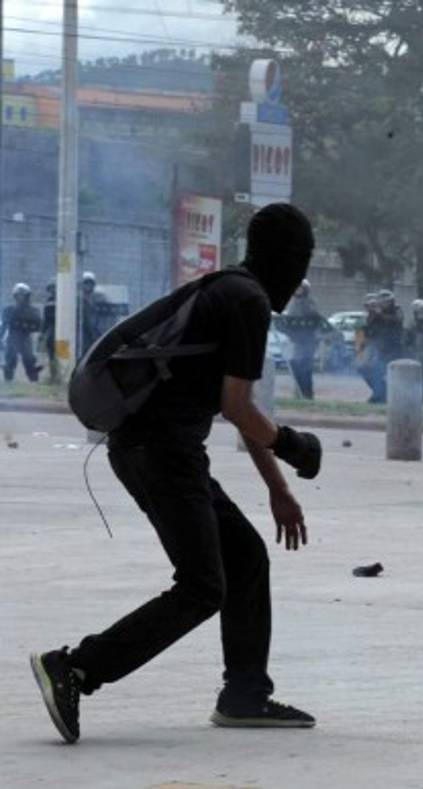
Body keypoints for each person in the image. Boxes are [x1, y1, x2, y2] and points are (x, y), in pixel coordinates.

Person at [29, 203, 323, 744]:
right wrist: (293, 447)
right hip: (160, 452)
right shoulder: (247, 300)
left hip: (154, 448)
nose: (301, 273)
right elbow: (239, 407)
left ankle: (244, 696)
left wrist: (279, 490)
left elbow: (236, 404)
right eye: (301, 259)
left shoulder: (229, 290)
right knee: (202, 586)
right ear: (286, 258)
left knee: (245, 558)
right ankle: (75, 668)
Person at [282, 279, 326, 400]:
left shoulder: (309, 302)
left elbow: (315, 318)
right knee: (295, 364)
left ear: (305, 290)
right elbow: (289, 321)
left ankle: (307, 392)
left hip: (308, 340)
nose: (298, 291)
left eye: (300, 288)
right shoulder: (293, 303)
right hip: (297, 340)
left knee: (305, 367)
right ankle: (299, 391)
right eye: (296, 288)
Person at [2, 283, 43, 383]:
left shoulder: (33, 310)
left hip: (25, 336)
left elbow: (38, 325)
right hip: (13, 336)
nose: (20, 298)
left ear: (27, 296)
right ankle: (8, 378)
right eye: (18, 295)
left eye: (23, 295)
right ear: (15, 296)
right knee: (10, 357)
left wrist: (39, 335)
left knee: (29, 358)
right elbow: (4, 325)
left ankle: (33, 379)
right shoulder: (9, 310)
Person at [78, 271, 108, 357]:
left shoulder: (100, 298)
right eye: (86, 283)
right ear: (82, 284)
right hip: (83, 333)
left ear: (93, 284)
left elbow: (106, 315)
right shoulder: (78, 299)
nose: (88, 285)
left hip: (97, 331)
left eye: (90, 283)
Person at [41, 281, 58, 383]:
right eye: (50, 289)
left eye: (54, 288)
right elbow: (46, 320)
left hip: (63, 328)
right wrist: (42, 333)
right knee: (51, 353)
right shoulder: (48, 302)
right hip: (52, 329)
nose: (52, 290)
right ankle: (53, 375)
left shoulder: (65, 297)